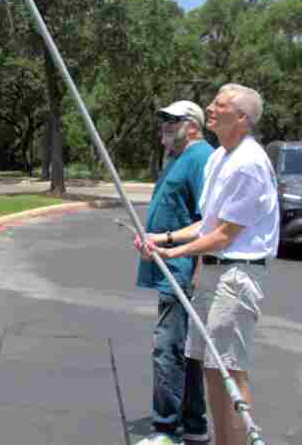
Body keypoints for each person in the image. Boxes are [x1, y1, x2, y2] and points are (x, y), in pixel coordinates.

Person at [138, 84, 279, 445]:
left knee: (230, 368)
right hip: (214, 271)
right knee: (212, 371)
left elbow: (225, 235)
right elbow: (207, 225)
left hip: (237, 272)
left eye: (220, 104)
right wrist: (164, 239)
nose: (210, 108)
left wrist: (172, 254)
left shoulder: (248, 163)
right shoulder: (220, 157)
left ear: (242, 118)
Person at [134, 101, 213, 445]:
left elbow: (207, 223)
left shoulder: (199, 159)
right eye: (163, 120)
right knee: (185, 350)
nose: (165, 125)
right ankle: (194, 425)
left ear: (193, 126)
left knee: (167, 349)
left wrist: (165, 239)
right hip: (169, 268)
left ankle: (166, 430)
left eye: (173, 120)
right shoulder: (176, 158)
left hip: (181, 271)